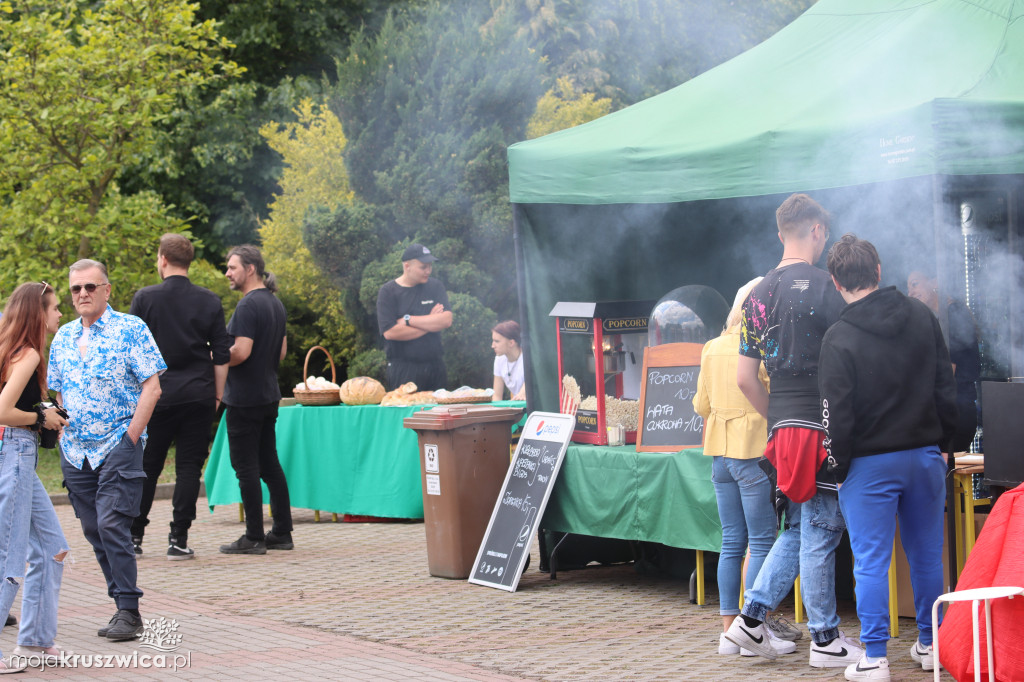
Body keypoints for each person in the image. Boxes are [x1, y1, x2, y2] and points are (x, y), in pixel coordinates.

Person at [725, 193, 862, 669]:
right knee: (823, 528)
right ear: (818, 231)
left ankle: (749, 618)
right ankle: (825, 638)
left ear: (780, 232)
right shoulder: (830, 286)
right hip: (822, 422)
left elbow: (744, 377)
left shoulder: (757, 295)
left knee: (800, 525)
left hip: (781, 426)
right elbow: (849, 363)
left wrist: (777, 417)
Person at [819, 235, 958, 681]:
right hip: (925, 456)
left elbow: (835, 416)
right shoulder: (923, 316)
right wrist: (948, 443)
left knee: (872, 560)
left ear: (835, 281)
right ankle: (931, 644)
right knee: (926, 556)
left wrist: (837, 468)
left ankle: (875, 657)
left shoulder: (837, 338)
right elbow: (946, 386)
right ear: (878, 271)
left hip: (868, 464)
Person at [48, 260, 166, 641]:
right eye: (76, 289)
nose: (83, 294)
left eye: (90, 287)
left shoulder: (131, 329)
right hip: (75, 451)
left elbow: (152, 387)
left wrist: (131, 438)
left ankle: (129, 611)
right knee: (94, 528)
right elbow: (59, 390)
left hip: (119, 443)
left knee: (113, 523)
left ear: (107, 290)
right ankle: (120, 604)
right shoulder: (63, 336)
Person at [693, 277, 798, 658]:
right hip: (752, 453)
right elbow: (772, 396)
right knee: (762, 541)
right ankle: (754, 634)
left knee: (732, 542)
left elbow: (700, 406)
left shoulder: (711, 347)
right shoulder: (758, 347)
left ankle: (728, 633)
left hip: (719, 453)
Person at [129, 234, 231, 560]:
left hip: (156, 395)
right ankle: (179, 539)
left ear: (162, 259)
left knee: (147, 466)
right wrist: (217, 395)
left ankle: (134, 536)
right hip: (199, 393)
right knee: (189, 468)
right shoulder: (210, 301)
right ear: (190, 262)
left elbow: (130, 352)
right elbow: (221, 353)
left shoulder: (145, 298)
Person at [0, 283, 71, 673]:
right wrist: (39, 417)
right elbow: (2, 410)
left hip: (16, 454)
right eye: (55, 308)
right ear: (37, 312)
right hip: (14, 452)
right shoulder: (26, 354)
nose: (60, 314)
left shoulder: (11, 348)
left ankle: (35, 640)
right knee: (8, 558)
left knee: (52, 547)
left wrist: (41, 409)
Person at [219, 244, 292, 555]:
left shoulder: (248, 306)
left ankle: (252, 537)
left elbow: (241, 351)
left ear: (250, 269)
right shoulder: (275, 304)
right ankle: (282, 532)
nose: (227, 273)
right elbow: (282, 353)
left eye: (232, 267)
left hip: (245, 398)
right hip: (267, 394)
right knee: (269, 464)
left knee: (245, 466)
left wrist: (214, 356)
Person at [907, 268, 980, 453]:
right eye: (908, 288)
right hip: (944, 412)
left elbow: (948, 372)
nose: (910, 293)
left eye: (915, 284)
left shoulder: (954, 313)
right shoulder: (935, 318)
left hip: (957, 413)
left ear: (935, 283)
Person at [376, 243, 453, 391]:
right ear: (407, 266)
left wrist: (408, 320)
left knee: (438, 414)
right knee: (407, 413)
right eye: (423, 267)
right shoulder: (388, 292)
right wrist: (430, 323)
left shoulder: (435, 287)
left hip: (435, 366)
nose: (428, 271)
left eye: (430, 266)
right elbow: (391, 332)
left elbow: (446, 320)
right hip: (404, 368)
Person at [491, 320, 526, 401]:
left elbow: (524, 392)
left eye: (497, 341)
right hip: (517, 408)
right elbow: (496, 395)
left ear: (511, 343)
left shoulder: (527, 358)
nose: (492, 346)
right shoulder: (499, 359)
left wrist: (522, 393)